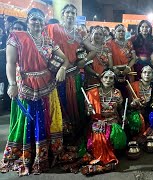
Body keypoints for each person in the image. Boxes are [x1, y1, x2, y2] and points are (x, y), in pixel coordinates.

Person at [0, 8, 69, 176]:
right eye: (33, 20)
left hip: (47, 85)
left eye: (40, 20)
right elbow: (10, 63)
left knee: (47, 118)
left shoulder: (48, 40)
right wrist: (12, 84)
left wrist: (63, 69)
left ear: (44, 22)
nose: (37, 23)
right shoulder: (17, 37)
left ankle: (46, 154)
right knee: (28, 120)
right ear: (27, 21)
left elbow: (65, 58)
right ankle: (28, 155)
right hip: (25, 85)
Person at [46, 4, 96, 152]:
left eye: (73, 13)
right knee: (58, 106)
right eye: (67, 12)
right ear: (62, 14)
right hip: (56, 74)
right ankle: (56, 141)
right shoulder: (53, 28)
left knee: (74, 105)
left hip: (73, 74)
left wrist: (84, 59)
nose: (70, 15)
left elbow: (93, 50)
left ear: (76, 16)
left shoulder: (79, 32)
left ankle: (72, 138)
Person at [81, 69, 126, 175]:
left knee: (115, 134)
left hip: (113, 119)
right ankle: (102, 158)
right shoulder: (92, 93)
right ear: (101, 79)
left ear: (114, 80)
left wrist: (124, 116)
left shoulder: (117, 93)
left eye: (111, 78)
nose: (108, 80)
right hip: (97, 120)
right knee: (99, 135)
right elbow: (88, 114)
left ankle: (108, 156)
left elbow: (120, 108)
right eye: (106, 77)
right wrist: (89, 110)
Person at [127, 65, 153, 147]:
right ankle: (145, 136)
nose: (147, 74)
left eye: (149, 72)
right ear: (141, 74)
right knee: (135, 118)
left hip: (149, 110)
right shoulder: (132, 85)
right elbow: (129, 105)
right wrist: (133, 103)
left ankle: (147, 135)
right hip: (137, 110)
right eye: (145, 72)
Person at [106, 24, 136, 98]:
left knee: (128, 92)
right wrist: (114, 69)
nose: (121, 32)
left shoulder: (129, 43)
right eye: (119, 31)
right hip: (115, 72)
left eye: (123, 31)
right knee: (115, 93)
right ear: (114, 32)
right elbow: (109, 59)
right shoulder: (109, 43)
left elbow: (134, 58)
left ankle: (128, 107)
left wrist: (128, 68)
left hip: (128, 71)